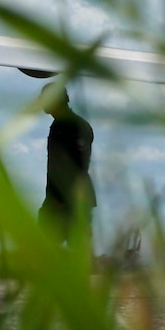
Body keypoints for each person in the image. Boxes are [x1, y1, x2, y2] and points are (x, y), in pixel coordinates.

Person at [37, 82, 95, 240]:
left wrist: (60, 200)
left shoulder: (72, 126)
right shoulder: (62, 125)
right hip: (62, 200)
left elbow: (78, 166)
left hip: (69, 201)